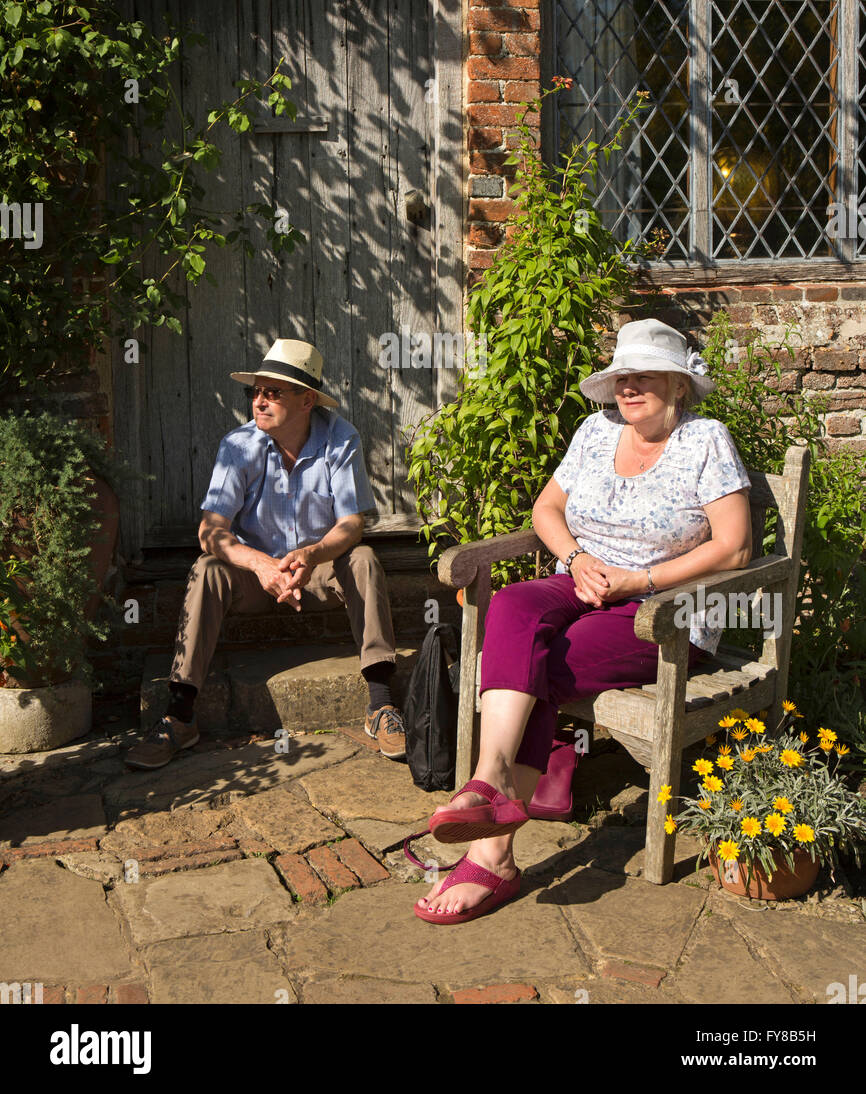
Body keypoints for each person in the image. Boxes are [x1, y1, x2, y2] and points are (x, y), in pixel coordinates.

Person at [415, 319, 753, 924]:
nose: (628, 386)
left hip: (660, 611)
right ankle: (491, 778)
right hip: (581, 579)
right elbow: (548, 508)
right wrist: (576, 557)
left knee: (541, 660)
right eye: (622, 375)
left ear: (678, 385)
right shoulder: (595, 431)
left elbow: (734, 549)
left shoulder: (707, 440)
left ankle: (492, 854)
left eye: (644, 374)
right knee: (516, 605)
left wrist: (639, 581)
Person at [126, 339, 405, 769]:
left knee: (364, 558)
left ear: (307, 399)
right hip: (256, 579)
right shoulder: (239, 445)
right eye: (255, 391)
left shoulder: (340, 437)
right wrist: (258, 563)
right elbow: (210, 530)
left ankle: (382, 705)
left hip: (318, 570)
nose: (259, 401)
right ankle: (179, 716)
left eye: (272, 392)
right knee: (207, 569)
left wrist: (312, 553)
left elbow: (352, 523)